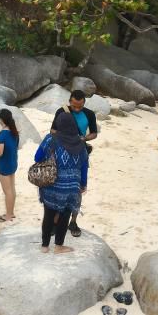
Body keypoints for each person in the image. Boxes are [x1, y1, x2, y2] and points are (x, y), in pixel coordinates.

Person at [36, 112, 89, 254]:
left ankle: (44, 246)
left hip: (51, 184)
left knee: (48, 214)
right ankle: (59, 246)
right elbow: (84, 165)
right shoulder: (81, 143)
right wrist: (83, 184)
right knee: (65, 215)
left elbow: (37, 157)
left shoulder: (50, 139)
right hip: (72, 187)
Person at [50, 90, 98, 237]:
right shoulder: (62, 111)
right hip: (62, 153)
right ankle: (56, 222)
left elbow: (94, 133)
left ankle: (73, 221)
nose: (77, 108)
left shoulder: (89, 114)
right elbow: (53, 130)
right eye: (74, 105)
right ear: (70, 101)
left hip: (80, 152)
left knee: (78, 189)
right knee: (59, 188)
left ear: (84, 103)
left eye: (80, 106)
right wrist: (66, 138)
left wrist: (83, 139)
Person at [0, 109, 19, 222]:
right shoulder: (15, 132)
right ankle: (11, 213)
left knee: (7, 191)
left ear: (1, 120)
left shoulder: (2, 134)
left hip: (4, 165)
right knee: (12, 189)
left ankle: (8, 216)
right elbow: (13, 147)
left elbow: (0, 153)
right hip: (13, 162)